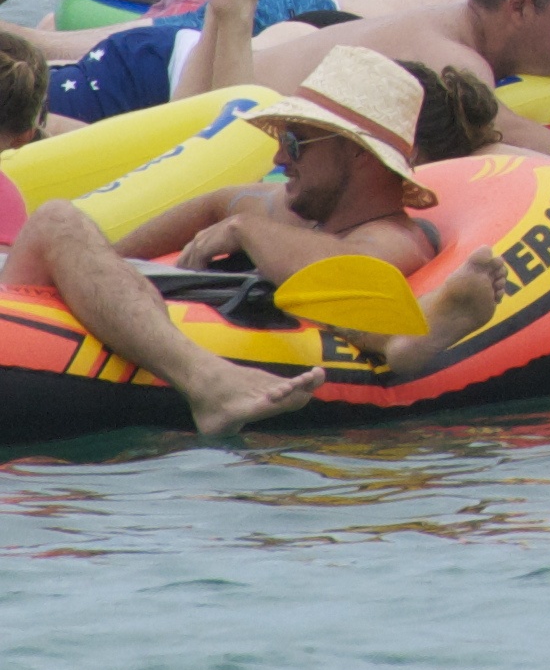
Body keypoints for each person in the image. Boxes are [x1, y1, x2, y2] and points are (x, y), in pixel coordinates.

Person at [0, 47, 521, 436]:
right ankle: (404, 337)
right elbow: (216, 203)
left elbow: (348, 270)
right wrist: (105, 266)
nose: (278, 160)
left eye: (294, 142)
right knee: (70, 237)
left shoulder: (393, 239)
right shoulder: (287, 212)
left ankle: (212, 381)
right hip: (26, 315)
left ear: (359, 155)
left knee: (55, 220)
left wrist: (245, 231)